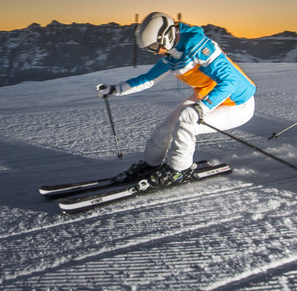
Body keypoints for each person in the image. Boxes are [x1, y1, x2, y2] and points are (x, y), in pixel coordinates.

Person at [98, 12, 256, 186]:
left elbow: (230, 82)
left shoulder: (199, 46)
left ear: (165, 37)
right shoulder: (171, 55)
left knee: (186, 124)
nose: (155, 52)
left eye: (154, 46)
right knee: (164, 129)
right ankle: (150, 166)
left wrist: (201, 108)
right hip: (208, 94)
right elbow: (148, 79)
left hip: (238, 103)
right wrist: (115, 90)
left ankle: (179, 171)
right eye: (150, 49)